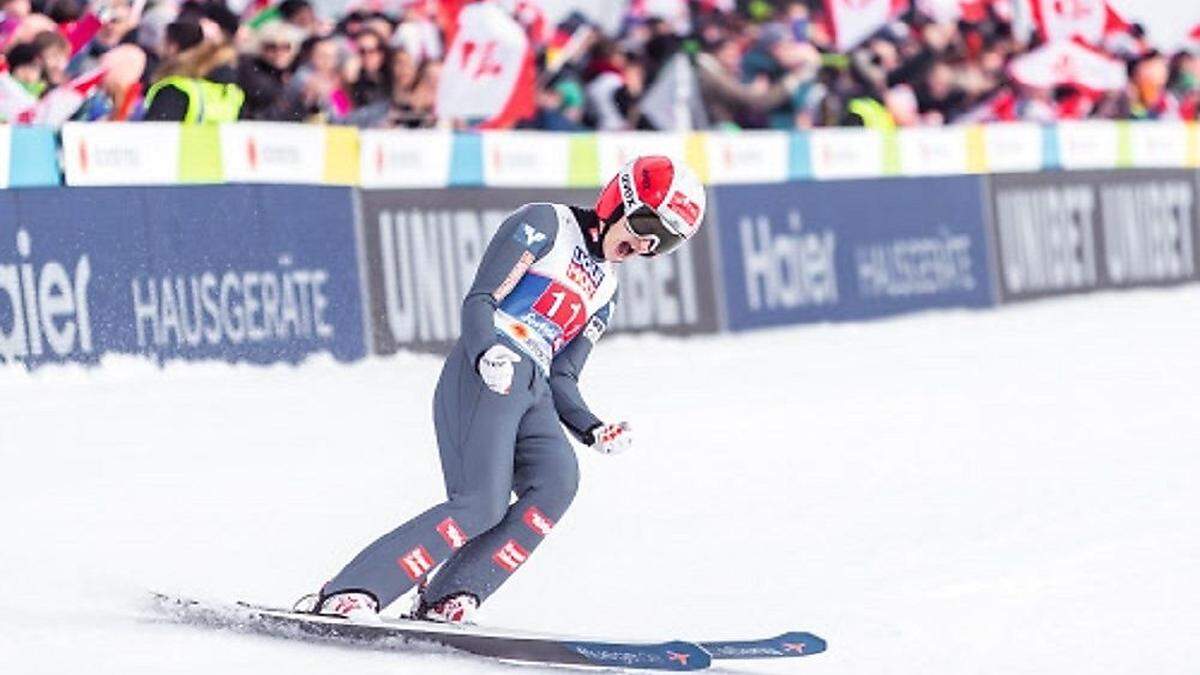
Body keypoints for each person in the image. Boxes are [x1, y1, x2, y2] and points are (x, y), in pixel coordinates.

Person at [301, 156, 707, 623]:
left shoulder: (606, 289)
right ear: (619, 200)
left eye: (666, 241)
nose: (645, 244)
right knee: (481, 505)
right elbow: (481, 298)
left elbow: (564, 376)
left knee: (558, 481)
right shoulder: (546, 223)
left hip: (534, 389)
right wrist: (483, 352)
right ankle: (352, 590)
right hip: (492, 368)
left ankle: (453, 592)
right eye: (644, 225)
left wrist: (593, 428)